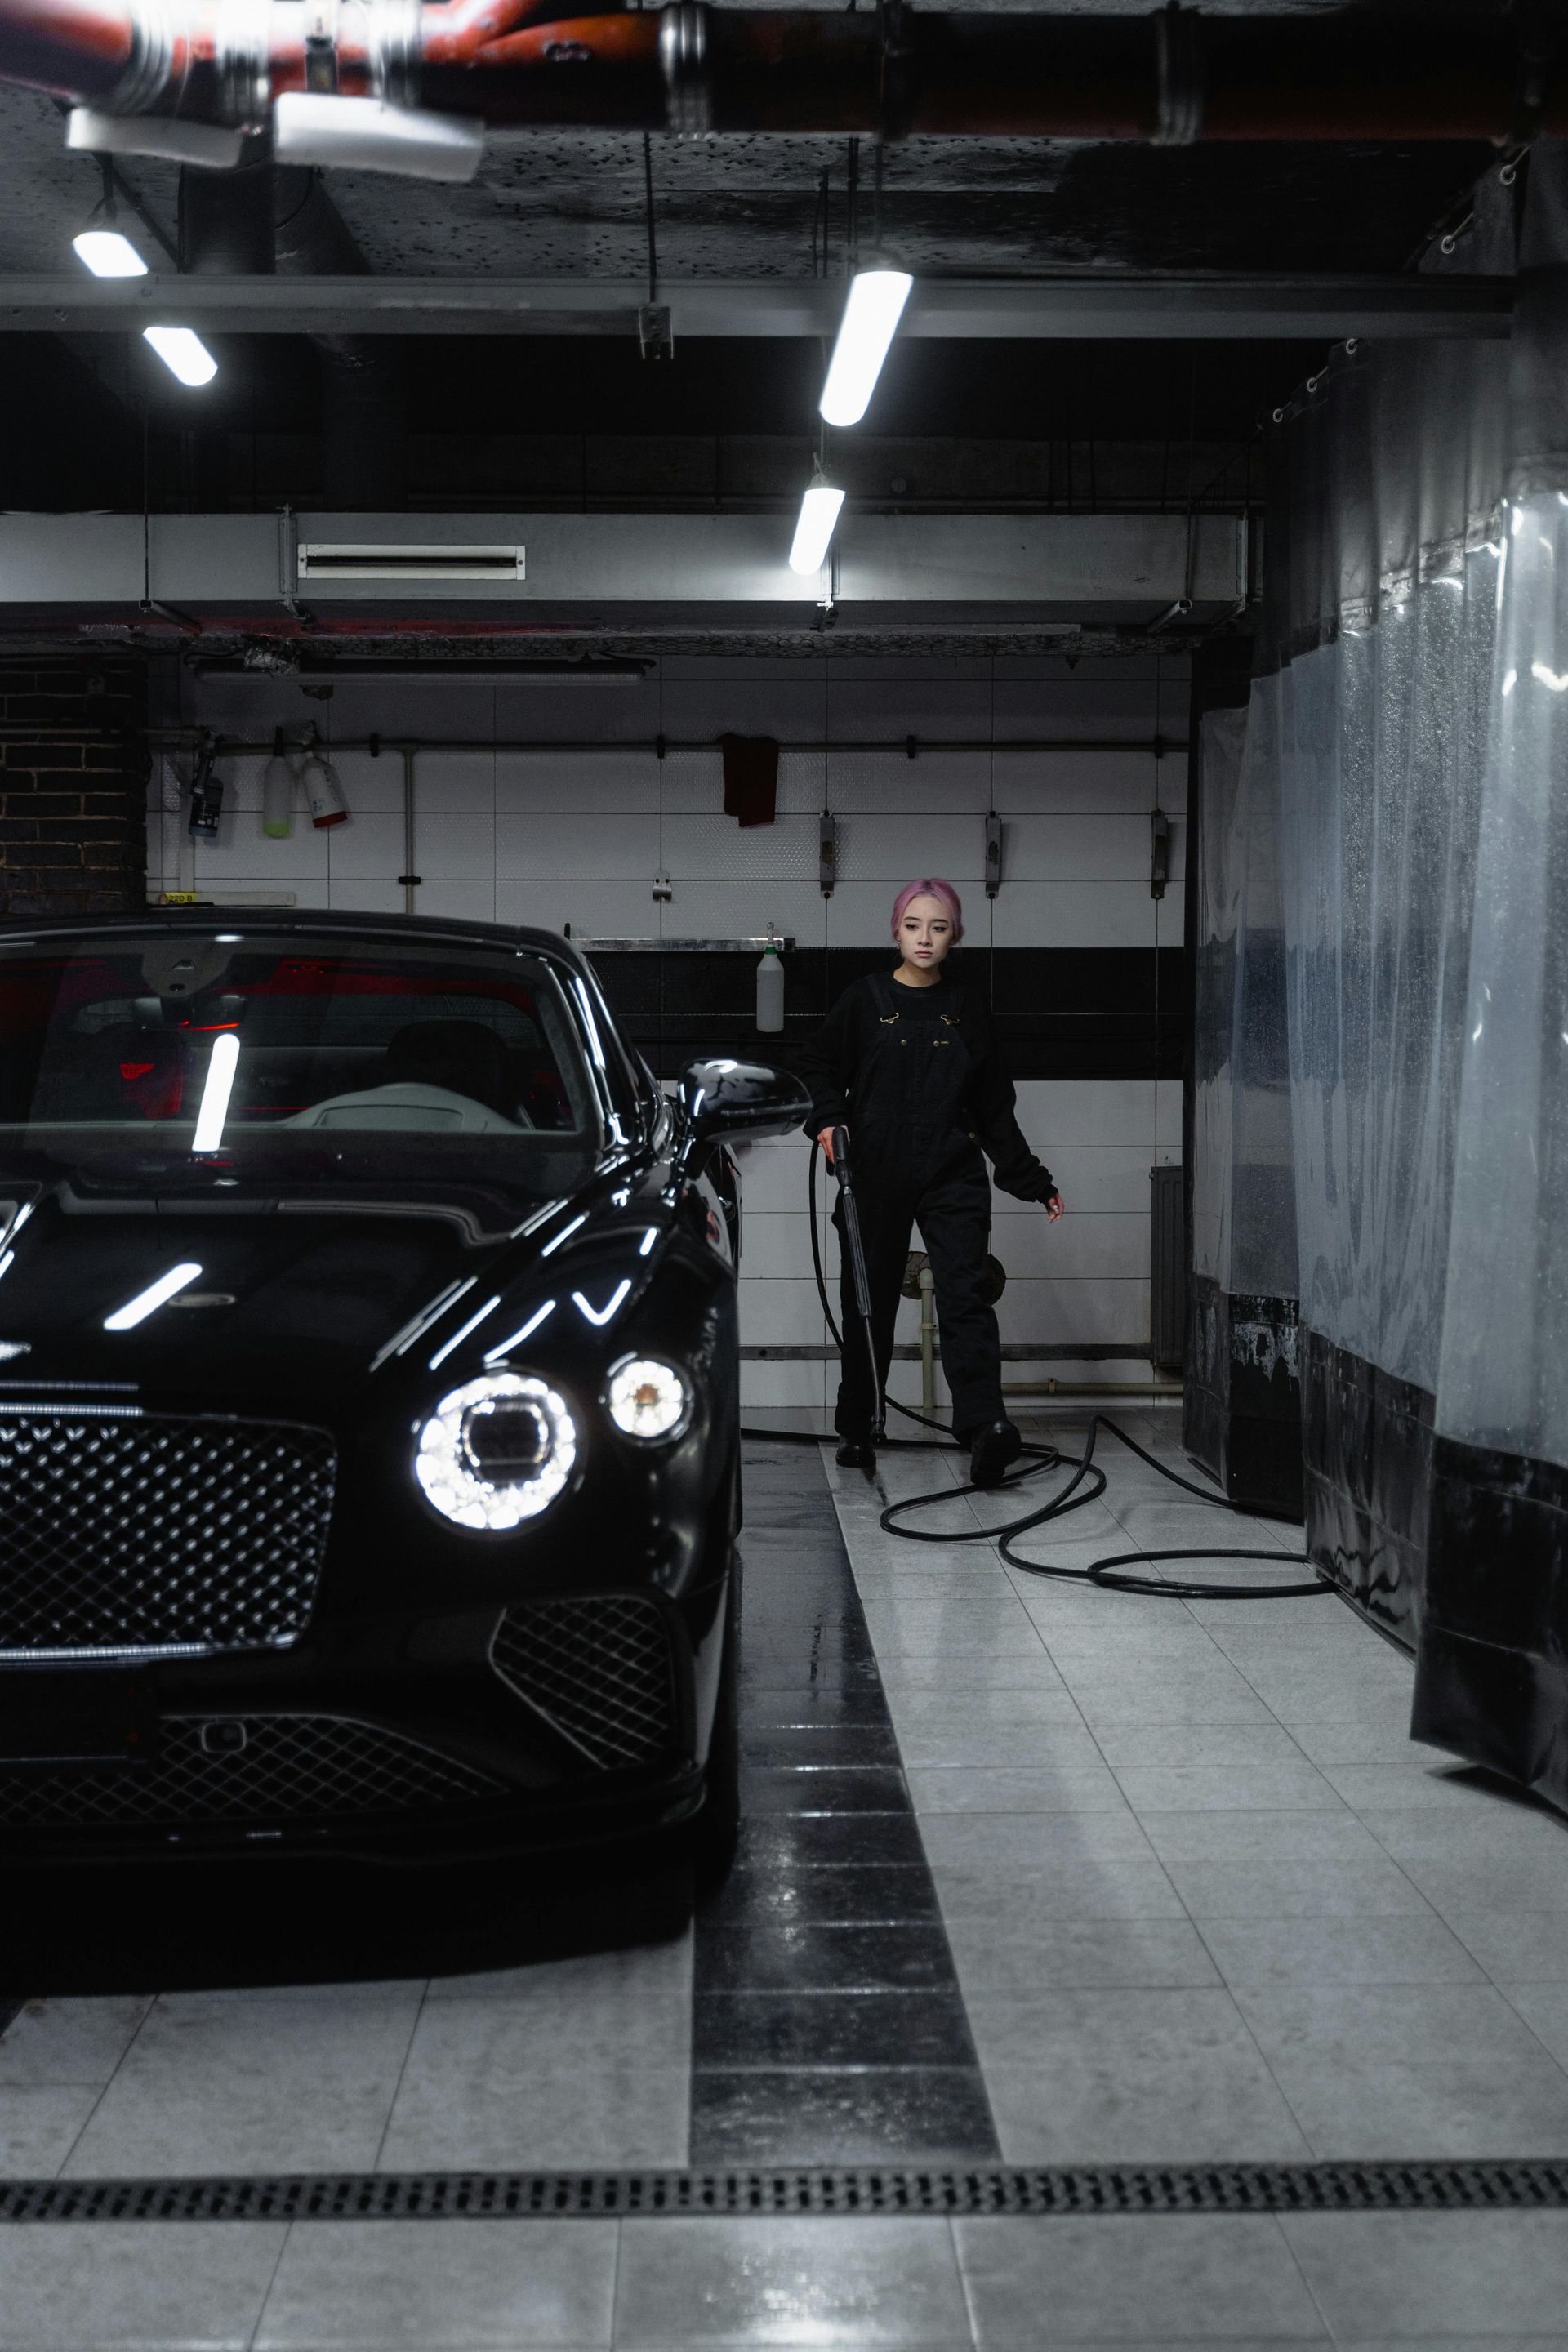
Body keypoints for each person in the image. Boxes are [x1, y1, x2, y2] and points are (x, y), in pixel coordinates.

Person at [797, 878, 1065, 1486]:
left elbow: (995, 1106)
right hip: (874, 1170)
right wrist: (829, 1120)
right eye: (914, 925)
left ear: (954, 937)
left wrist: (1034, 1180)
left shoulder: (967, 1009)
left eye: (938, 927)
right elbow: (814, 1067)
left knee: (965, 1295)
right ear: (896, 930)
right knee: (870, 1303)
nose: (925, 937)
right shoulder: (863, 1001)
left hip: (951, 1171)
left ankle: (984, 1428)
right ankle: (858, 1426)